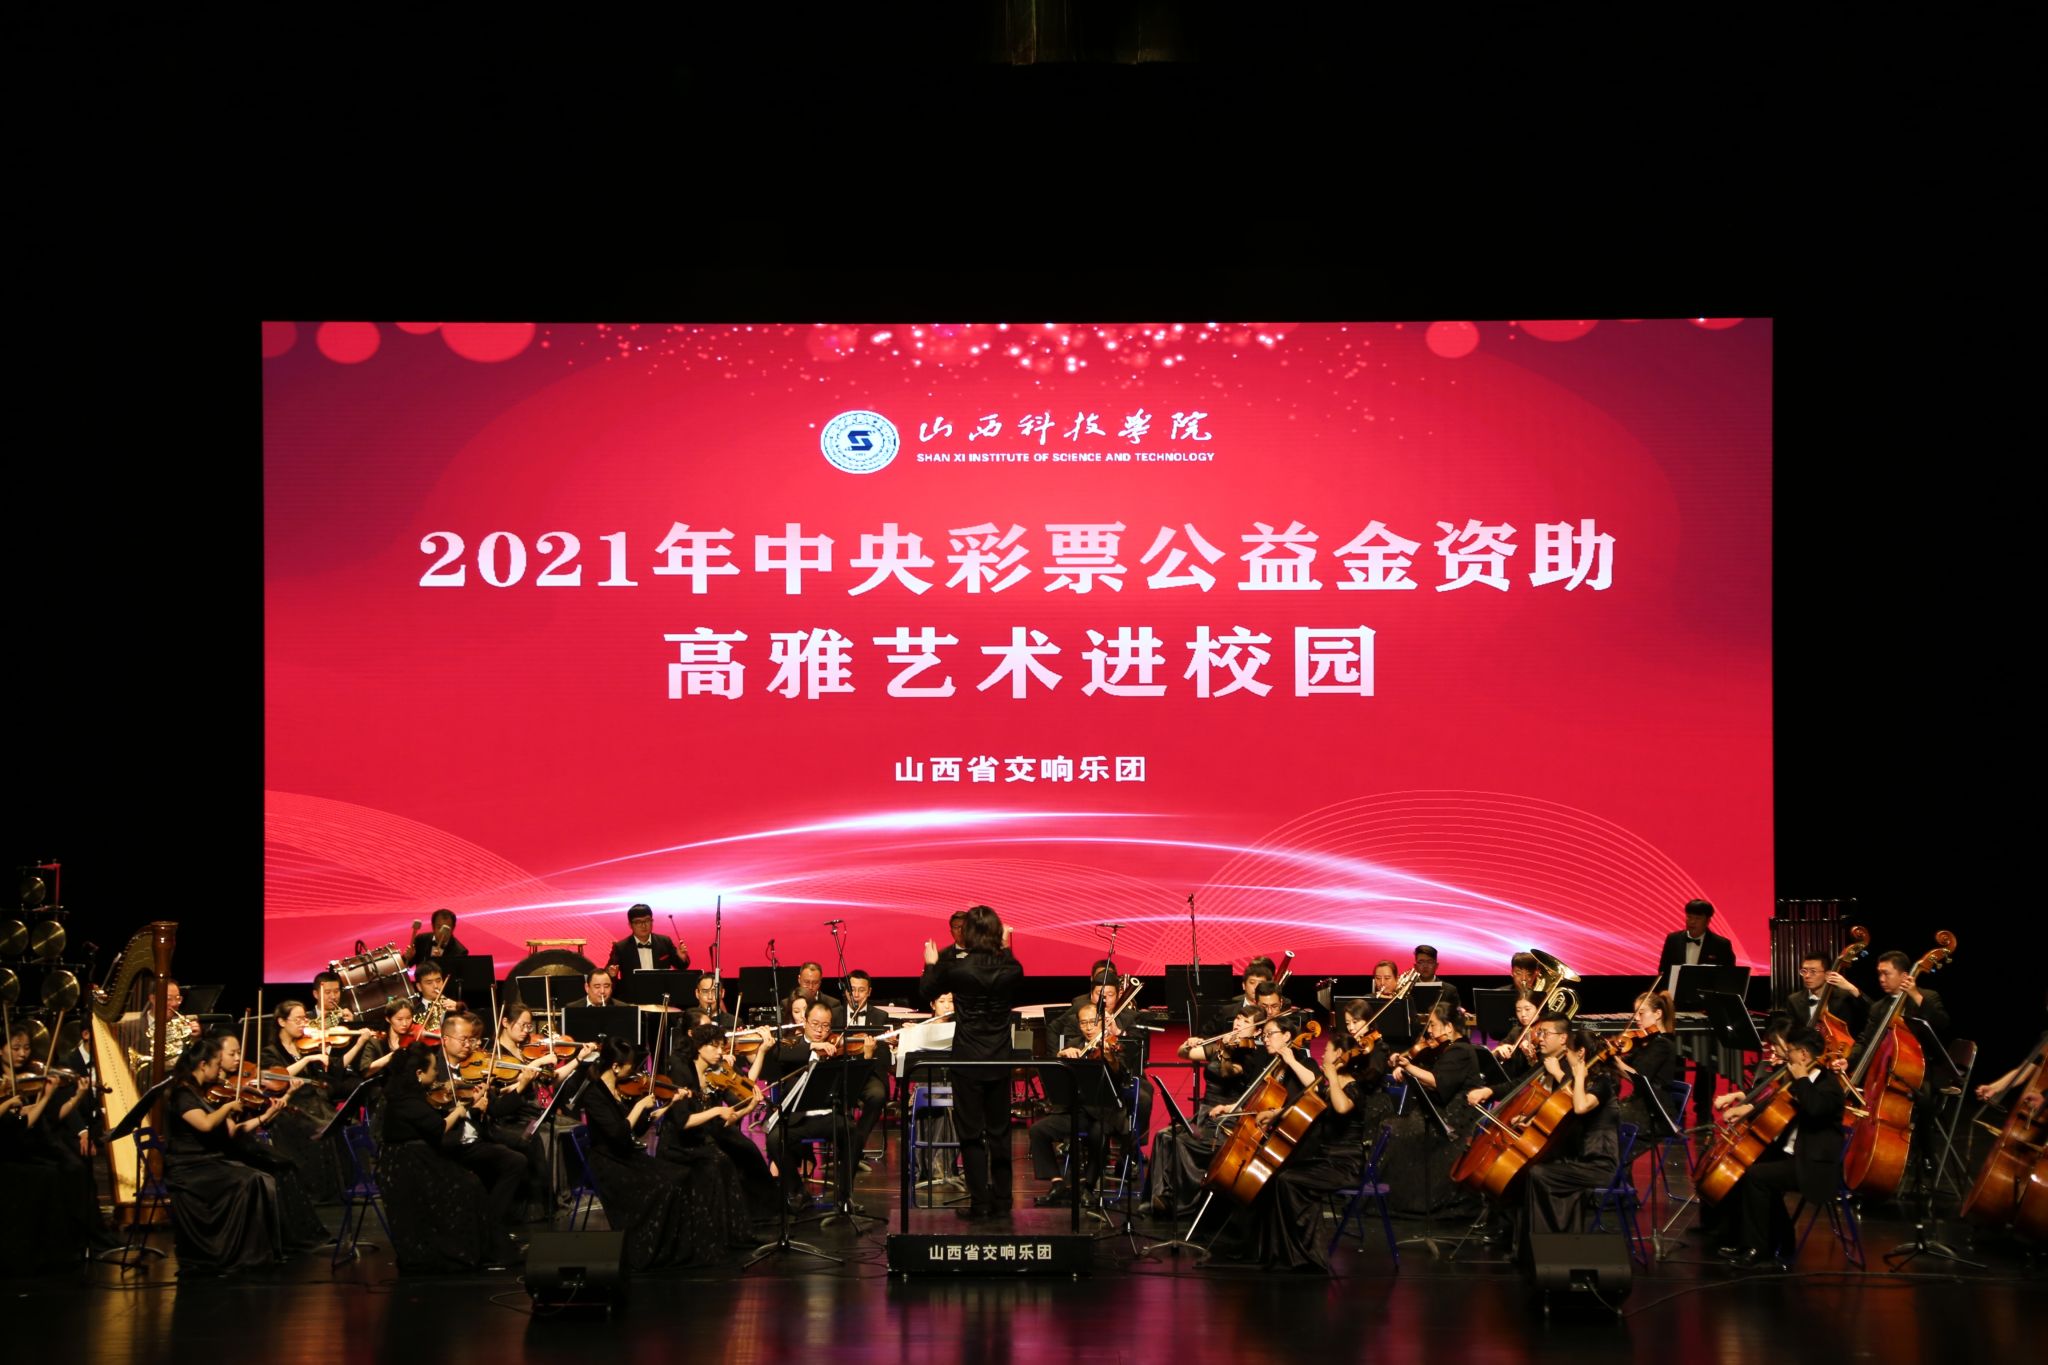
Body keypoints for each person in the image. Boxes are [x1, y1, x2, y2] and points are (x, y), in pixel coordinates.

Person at [1239, 1005, 1392, 1272]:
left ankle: (1306, 1256)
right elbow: (1305, 1104)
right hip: (1326, 1159)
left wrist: (1331, 1075)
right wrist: (1277, 1114)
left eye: (1328, 1051)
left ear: (1340, 1056)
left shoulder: (1353, 1086)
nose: (1322, 1054)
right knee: (1279, 1176)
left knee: (1289, 1181)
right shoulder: (1331, 1084)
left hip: (1346, 1164)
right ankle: (1281, 1253)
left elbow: (1341, 1107)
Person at [579, 1036, 738, 1268]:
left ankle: (681, 1246)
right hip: (609, 1163)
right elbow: (618, 1133)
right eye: (630, 1065)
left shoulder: (618, 1090)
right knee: (667, 1184)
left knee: (682, 1175)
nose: (634, 1071)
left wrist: (669, 1104)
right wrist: (638, 1106)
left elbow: (639, 1127)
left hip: (626, 1155)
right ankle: (654, 1248)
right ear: (615, 1067)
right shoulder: (594, 1094)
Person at [160, 1036, 301, 1275]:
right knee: (250, 1180)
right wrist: (227, 1107)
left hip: (207, 1161)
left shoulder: (201, 1092)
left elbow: (230, 1131)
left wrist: (263, 1115)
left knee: (262, 1177)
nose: (220, 1071)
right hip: (188, 1167)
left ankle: (258, 1253)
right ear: (203, 1065)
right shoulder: (182, 1094)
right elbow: (205, 1124)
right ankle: (239, 1254)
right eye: (217, 1065)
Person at [918, 905, 1023, 1219]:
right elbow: (1013, 984)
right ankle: (1003, 1200)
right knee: (1000, 1132)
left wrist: (931, 964)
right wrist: (1006, 948)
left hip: (967, 1058)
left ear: (970, 934)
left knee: (971, 1133)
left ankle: (980, 1202)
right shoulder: (1011, 967)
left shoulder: (958, 969)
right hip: (999, 1057)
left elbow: (926, 990)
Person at [1712, 1028, 1845, 1266]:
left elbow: (1814, 1108)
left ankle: (1758, 1248)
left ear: (1803, 1054)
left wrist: (1801, 1079)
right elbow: (1773, 1104)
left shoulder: (1829, 1086)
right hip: (1790, 1154)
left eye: (1790, 1051)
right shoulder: (1797, 1082)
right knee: (1741, 1169)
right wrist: (1746, 1110)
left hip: (1812, 1164)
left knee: (1757, 1177)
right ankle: (1757, 1239)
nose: (1786, 1056)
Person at [376, 1041, 508, 1271]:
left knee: (471, 1182)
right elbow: (438, 1127)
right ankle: (459, 1250)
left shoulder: (412, 1095)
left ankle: (479, 1247)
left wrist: (470, 1107)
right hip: (407, 1166)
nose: (437, 1074)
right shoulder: (405, 1100)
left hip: (419, 1158)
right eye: (434, 1069)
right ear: (419, 1073)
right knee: (467, 1186)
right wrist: (460, 1110)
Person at [1510, 1019, 1624, 1267]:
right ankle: (1539, 1249)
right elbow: (1567, 1121)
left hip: (1599, 1164)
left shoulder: (1604, 1082)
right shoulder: (1589, 1080)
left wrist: (1579, 1076)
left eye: (1569, 1053)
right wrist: (1533, 1123)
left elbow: (1580, 1107)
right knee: (1532, 1171)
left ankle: (1551, 1248)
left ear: (1580, 1054)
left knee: (1540, 1174)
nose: (1567, 1058)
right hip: (1580, 1159)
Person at [212, 1032, 329, 1252]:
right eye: (232, 1054)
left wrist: (288, 1095)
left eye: (239, 1053)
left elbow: (265, 1115)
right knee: (280, 1168)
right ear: (216, 1056)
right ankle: (287, 1238)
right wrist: (264, 1116)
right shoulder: (215, 1090)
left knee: (287, 1165)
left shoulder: (236, 1084)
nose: (238, 1058)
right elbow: (234, 1131)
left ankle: (299, 1234)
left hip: (244, 1142)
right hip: (229, 1150)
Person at [656, 1020, 777, 1223]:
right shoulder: (682, 1071)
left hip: (707, 1133)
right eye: (715, 1046)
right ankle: (725, 1220)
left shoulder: (716, 1071)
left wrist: (749, 1106)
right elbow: (683, 1121)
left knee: (748, 1151)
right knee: (723, 1162)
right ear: (699, 1047)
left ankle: (760, 1213)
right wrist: (717, 1111)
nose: (720, 1052)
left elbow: (728, 1117)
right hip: (682, 1142)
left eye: (722, 1046)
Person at [1148, 1004, 1262, 1216]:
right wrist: (1188, 1044)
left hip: (1226, 1119)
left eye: (1246, 1022)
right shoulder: (1221, 1045)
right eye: (1238, 1018)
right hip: (1203, 1114)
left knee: (1181, 1141)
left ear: (1257, 1032)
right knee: (1163, 1135)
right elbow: (1183, 1054)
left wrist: (1225, 1052)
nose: (1238, 1023)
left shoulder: (1250, 1056)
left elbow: (1227, 1072)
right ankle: (1161, 1196)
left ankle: (1180, 1202)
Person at [431, 1012, 532, 1249]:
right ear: (445, 1039)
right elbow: (434, 1115)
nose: (469, 1045)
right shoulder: (434, 1070)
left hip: (476, 1141)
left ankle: (489, 1223)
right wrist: (471, 1108)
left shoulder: (475, 1070)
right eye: (463, 1040)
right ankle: (487, 1229)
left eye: (472, 1040)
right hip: (450, 1144)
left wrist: (522, 1087)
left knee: (517, 1159)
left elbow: (497, 1109)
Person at [1030, 1002, 1140, 1207]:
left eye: (1092, 1022)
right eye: (1083, 1023)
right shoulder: (1075, 1043)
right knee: (1038, 1130)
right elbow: (1060, 1078)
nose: (1088, 1028)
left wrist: (1111, 1059)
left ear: (1103, 1022)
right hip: (1079, 1111)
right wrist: (1061, 1057)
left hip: (1107, 1113)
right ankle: (1057, 1183)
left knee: (1098, 1134)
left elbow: (1122, 1075)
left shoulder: (1117, 1044)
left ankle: (1088, 1187)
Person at [1381, 1000, 1483, 1216]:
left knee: (1395, 1130)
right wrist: (1404, 1066)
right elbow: (1426, 1072)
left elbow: (1437, 1081)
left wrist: (1409, 1067)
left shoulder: (1461, 1051)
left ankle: (1407, 1200)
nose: (1429, 1030)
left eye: (1433, 1025)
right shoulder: (1446, 1049)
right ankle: (1394, 1197)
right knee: (1391, 1125)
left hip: (1453, 1119)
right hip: (1439, 1111)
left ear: (1449, 1027)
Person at [761, 1001, 861, 1208]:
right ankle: (798, 1191)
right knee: (775, 1140)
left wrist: (864, 1054)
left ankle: (845, 1196)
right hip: (799, 1118)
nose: (820, 1030)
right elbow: (778, 1054)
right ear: (805, 1022)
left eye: (825, 1026)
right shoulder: (791, 1045)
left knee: (852, 1132)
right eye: (815, 1024)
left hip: (828, 1116)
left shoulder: (836, 1047)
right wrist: (812, 1047)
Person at [1657, 898, 1736, 1130]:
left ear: (1708, 920)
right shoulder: (1673, 940)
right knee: (1675, 1061)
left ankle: (1703, 1109)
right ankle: (1675, 1106)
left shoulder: (1721, 945)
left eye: (1697, 918)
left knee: (1707, 1063)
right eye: (1688, 916)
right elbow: (1663, 972)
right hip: (1677, 1011)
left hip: (1705, 1013)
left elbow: (1728, 979)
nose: (1691, 921)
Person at [259, 1000, 344, 1202]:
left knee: (339, 1125)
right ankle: (316, 1190)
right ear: (281, 1022)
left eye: (304, 1018)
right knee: (319, 1130)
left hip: (313, 1102)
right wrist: (306, 1060)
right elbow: (275, 1076)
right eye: (297, 1019)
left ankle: (341, 1188)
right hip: (290, 1105)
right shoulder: (270, 1052)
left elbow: (325, 1076)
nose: (303, 1023)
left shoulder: (306, 1046)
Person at [829, 969, 892, 1168]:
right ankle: (845, 1149)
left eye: (861, 990)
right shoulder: (833, 1015)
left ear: (869, 992)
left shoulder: (880, 1017)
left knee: (878, 1095)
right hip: (839, 1072)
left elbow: (884, 1060)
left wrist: (869, 1053)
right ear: (845, 992)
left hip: (868, 1073)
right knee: (835, 1096)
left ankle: (856, 1143)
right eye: (852, 990)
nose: (855, 995)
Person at [1615, 990, 1682, 1139]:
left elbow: (1639, 1076)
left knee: (1605, 1118)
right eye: (1636, 1014)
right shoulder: (1648, 1042)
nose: (1637, 1018)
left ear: (1658, 1014)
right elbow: (1626, 1066)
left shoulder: (1663, 1044)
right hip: (1641, 1104)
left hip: (1655, 1111)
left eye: (1641, 1013)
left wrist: (1616, 1061)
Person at [1780, 951, 1868, 1035]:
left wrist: (1852, 989)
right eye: (1804, 971)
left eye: (1813, 971)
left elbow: (1871, 1014)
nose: (1807, 976)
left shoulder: (1844, 997)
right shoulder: (1794, 1000)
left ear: (1827, 974)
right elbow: (1790, 1033)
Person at [606, 904, 689, 978]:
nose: (643, 925)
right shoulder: (621, 947)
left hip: (661, 990)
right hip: (632, 990)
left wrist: (682, 958)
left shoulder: (664, 942)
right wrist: (611, 973)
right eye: (638, 922)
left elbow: (681, 966)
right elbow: (608, 972)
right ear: (630, 925)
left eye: (647, 920)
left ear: (652, 921)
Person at [402, 908, 469, 979]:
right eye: (439, 927)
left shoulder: (460, 952)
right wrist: (407, 957)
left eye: (447, 928)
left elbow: (455, 978)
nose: (442, 932)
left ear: (453, 929)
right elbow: (404, 966)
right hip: (420, 983)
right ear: (433, 927)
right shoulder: (421, 939)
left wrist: (440, 962)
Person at [1411, 945, 1463, 1018]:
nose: (1425, 966)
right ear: (1415, 966)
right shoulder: (1408, 990)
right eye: (1421, 962)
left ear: (1436, 966)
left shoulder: (1449, 990)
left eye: (1430, 962)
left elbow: (1456, 1017)